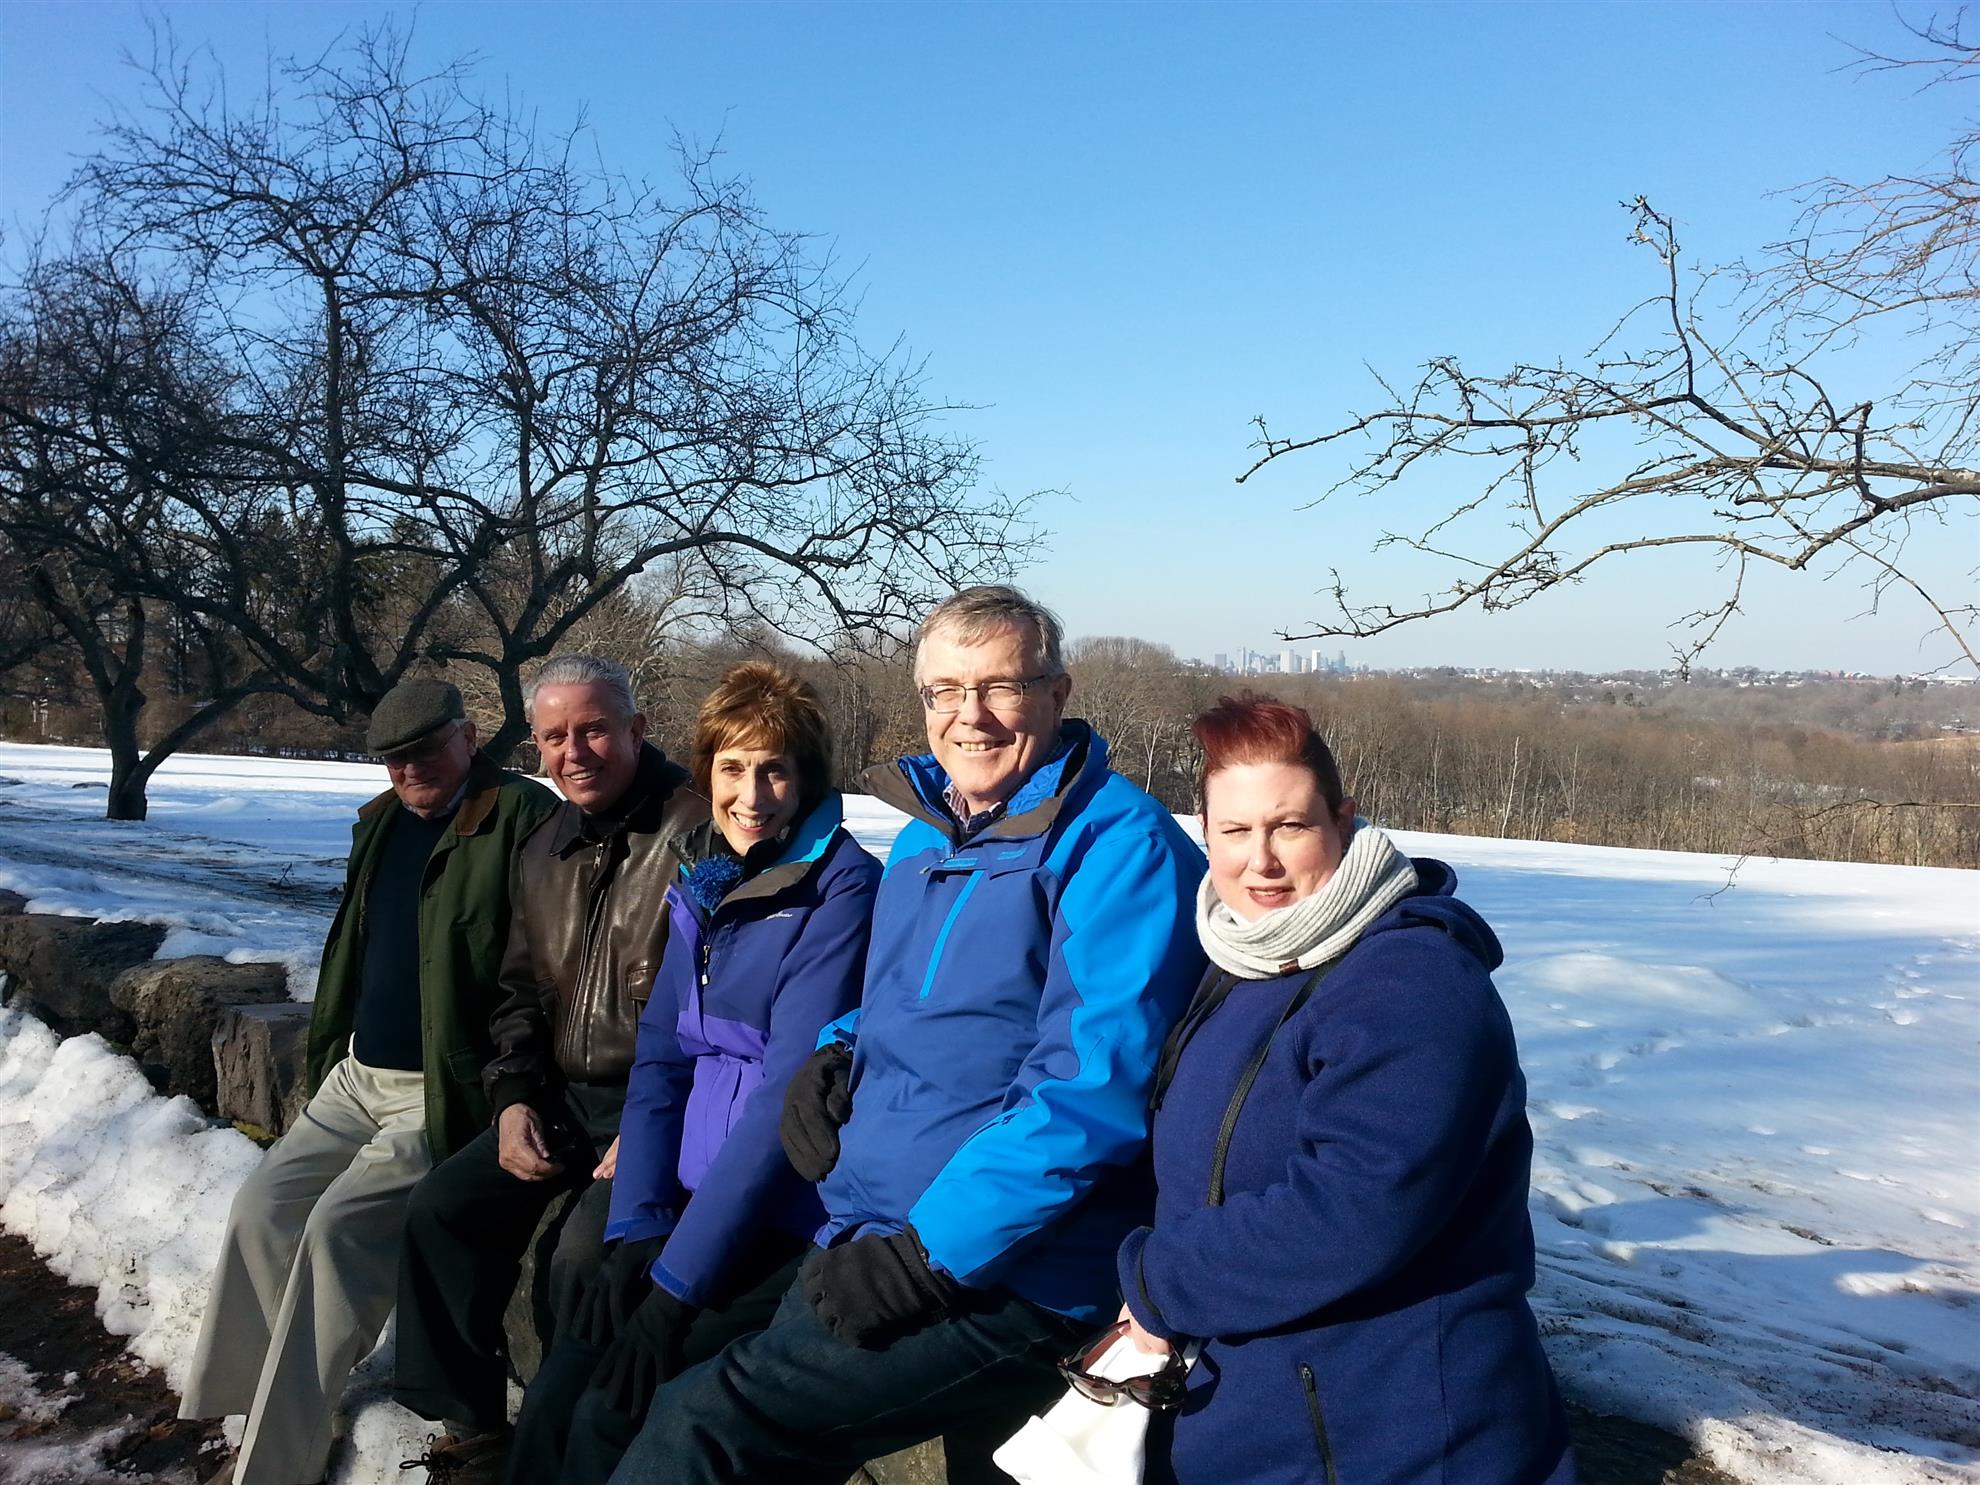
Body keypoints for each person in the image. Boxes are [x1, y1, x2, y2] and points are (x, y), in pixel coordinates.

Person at [601, 584, 1205, 1485]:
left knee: (706, 1424)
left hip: (1013, 1269)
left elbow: (1085, 1094)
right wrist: (837, 1052)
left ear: (1058, 690)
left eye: (1001, 686)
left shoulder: (1119, 847)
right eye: (944, 691)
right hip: (871, 1226)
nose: (971, 716)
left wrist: (928, 1258)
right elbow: (894, 1000)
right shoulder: (929, 840)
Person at [1116, 697, 1576, 1485]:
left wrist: (1160, 1279)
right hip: (1257, 1415)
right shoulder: (1240, 959)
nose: (1260, 860)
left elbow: (1354, 1209)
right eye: (1233, 831)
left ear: (1343, 818)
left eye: (1288, 826)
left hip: (1391, 1436)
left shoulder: (1411, 980)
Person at [504, 661, 881, 1483]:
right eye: (734, 767)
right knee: (555, 1391)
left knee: (611, 1414)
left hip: (774, 1218)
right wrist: (638, 1224)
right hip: (675, 1201)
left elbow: (785, 1098)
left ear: (807, 775)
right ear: (707, 770)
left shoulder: (840, 891)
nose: (753, 795)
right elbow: (662, 1059)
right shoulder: (704, 880)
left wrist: (676, 1281)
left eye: (776, 768)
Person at [178, 679, 557, 1485]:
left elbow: (542, 967)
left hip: (443, 1089)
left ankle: (277, 1464)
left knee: (337, 1231)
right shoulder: (381, 822)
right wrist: (328, 1052)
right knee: (261, 1209)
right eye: (391, 758)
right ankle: (249, 1417)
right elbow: (356, 944)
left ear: (471, 734)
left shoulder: (524, 817)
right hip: (357, 1073)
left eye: (424, 749)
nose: (408, 770)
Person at [392, 655, 709, 1481]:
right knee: (441, 1208)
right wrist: (511, 1099)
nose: (576, 751)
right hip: (564, 1100)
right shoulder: (545, 846)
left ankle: (576, 1448)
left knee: (580, 1256)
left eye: (595, 728)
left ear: (638, 729)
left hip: (665, 1105)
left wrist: (653, 1128)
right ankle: (474, 1426)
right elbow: (519, 997)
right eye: (555, 735)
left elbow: (726, 1015)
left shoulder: (700, 830)